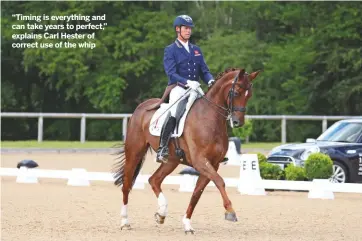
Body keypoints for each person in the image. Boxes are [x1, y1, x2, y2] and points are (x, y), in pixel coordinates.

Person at [156, 14, 215, 163]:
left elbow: (204, 71)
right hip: (179, 88)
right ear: (178, 29)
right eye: (185, 28)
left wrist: (210, 80)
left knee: (212, 110)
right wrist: (187, 82)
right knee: (175, 112)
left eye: (190, 28)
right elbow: (171, 73)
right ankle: (162, 148)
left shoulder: (196, 50)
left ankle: (214, 147)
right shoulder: (170, 50)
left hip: (196, 89)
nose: (188, 31)